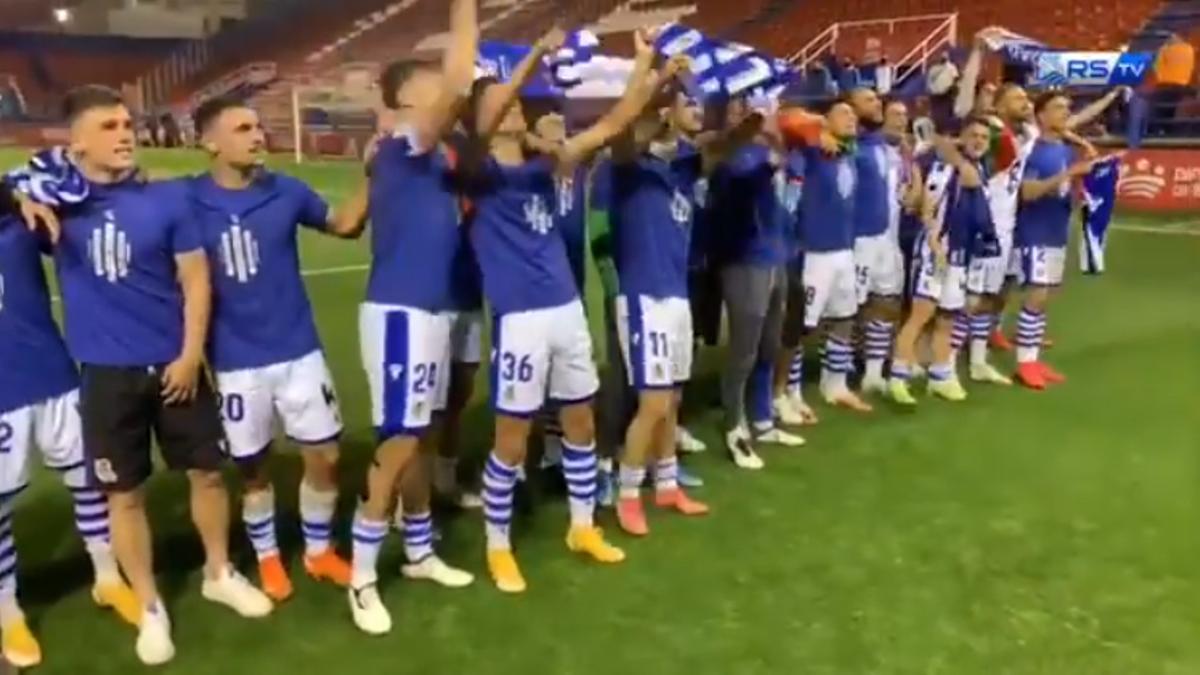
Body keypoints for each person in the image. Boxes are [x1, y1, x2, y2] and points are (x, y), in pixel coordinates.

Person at [48, 85, 272, 666]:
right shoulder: (60, 205)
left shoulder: (168, 198)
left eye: (126, 124)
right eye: (107, 127)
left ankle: (218, 572)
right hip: (106, 374)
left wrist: (190, 353)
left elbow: (196, 280)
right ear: (75, 142)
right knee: (123, 495)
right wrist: (36, 186)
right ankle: (149, 605)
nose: (124, 134)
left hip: (175, 364)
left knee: (208, 474)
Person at [466, 27, 668, 593]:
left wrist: (646, 63)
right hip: (520, 318)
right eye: (498, 100)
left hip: (565, 310)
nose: (511, 108)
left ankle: (582, 526)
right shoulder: (479, 171)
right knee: (512, 435)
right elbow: (489, 118)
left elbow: (614, 123)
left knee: (580, 421)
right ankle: (498, 544)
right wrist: (534, 54)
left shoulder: (548, 165)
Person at [187, 96, 370, 602]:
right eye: (243, 128)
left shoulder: (286, 190)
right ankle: (268, 557)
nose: (257, 134)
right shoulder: (186, 200)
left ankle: (317, 550)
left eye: (258, 126)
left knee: (326, 454)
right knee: (252, 467)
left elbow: (344, 225)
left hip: (298, 349)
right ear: (210, 143)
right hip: (234, 360)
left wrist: (375, 175)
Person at [350, 0, 477, 635]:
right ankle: (362, 574)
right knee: (399, 440)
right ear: (404, 101)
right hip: (401, 312)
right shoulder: (404, 142)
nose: (443, 94)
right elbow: (461, 80)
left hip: (426, 311)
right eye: (427, 86)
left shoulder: (416, 152)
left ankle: (420, 551)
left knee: (420, 437)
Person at [0, 176, 140, 668]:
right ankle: (8, 612)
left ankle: (107, 578)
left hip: (53, 376)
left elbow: (66, 177)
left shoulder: (19, 222)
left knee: (89, 481)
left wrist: (20, 194)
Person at [608, 83, 713, 535]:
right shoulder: (630, 167)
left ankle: (668, 485)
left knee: (671, 400)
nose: (698, 110)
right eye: (688, 102)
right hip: (643, 295)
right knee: (651, 403)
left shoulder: (685, 169)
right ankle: (628, 493)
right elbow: (625, 140)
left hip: (676, 295)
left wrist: (756, 121)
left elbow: (721, 147)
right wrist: (660, 95)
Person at [710, 95, 809, 470]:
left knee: (770, 345)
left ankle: (763, 419)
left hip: (776, 257)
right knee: (744, 349)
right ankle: (735, 427)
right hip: (744, 260)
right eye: (740, 110)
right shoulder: (732, 156)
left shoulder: (775, 151)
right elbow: (740, 184)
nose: (756, 117)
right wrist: (771, 157)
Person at [891, 117, 998, 404]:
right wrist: (933, 240)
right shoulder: (943, 167)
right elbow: (927, 208)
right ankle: (898, 377)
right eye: (973, 135)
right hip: (936, 252)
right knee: (920, 315)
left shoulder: (978, 168)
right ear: (961, 137)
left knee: (948, 318)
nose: (978, 141)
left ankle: (940, 377)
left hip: (960, 256)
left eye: (984, 138)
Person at [1012, 92, 1106, 389]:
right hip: (1034, 231)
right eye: (1058, 108)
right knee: (1037, 295)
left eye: (1067, 107)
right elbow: (1027, 193)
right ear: (1041, 116)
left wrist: (1080, 189)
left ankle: (1035, 358)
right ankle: (1024, 362)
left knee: (1048, 295)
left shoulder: (1065, 149)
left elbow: (1065, 185)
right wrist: (1070, 172)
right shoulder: (1034, 151)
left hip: (1056, 230)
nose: (1066, 112)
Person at [787, 100, 864, 412]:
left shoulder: (848, 153)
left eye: (853, 114)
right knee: (802, 326)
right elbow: (787, 118)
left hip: (844, 250)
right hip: (814, 251)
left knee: (844, 318)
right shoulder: (808, 151)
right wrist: (816, 130)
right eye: (843, 113)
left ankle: (835, 384)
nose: (852, 118)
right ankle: (789, 391)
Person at [847, 87, 904, 406]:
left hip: (885, 236)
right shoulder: (848, 146)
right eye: (867, 99)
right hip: (858, 238)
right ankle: (837, 375)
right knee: (845, 310)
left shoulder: (880, 145)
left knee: (886, 302)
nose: (876, 103)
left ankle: (872, 373)